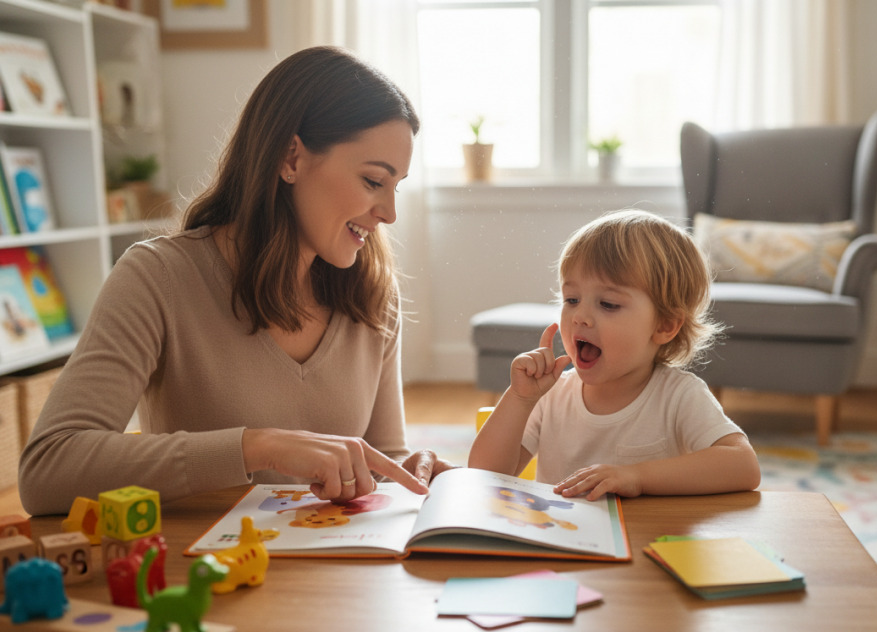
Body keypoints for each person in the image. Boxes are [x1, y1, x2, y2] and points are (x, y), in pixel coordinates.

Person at [19, 46, 450, 516]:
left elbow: (379, 459)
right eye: (373, 181)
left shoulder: (372, 295)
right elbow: (47, 469)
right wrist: (258, 448)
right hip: (202, 561)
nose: (389, 213)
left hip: (335, 560)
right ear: (291, 157)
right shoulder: (157, 278)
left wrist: (408, 470)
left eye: (396, 187)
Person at [468, 209, 760, 501]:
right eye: (572, 299)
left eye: (608, 304)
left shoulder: (680, 396)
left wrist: (637, 476)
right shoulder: (550, 395)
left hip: (645, 531)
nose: (580, 316)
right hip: (561, 530)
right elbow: (482, 477)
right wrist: (520, 400)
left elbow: (743, 466)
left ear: (665, 326)